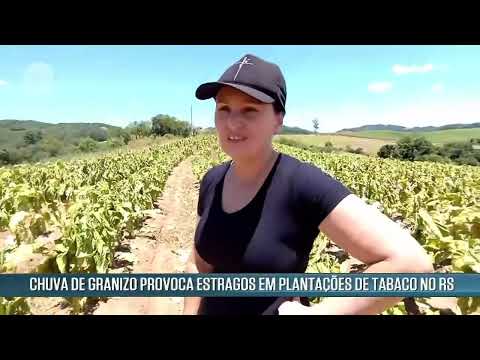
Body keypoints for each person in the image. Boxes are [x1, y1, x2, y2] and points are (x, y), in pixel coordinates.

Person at [183, 53, 433, 315]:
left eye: (250, 109)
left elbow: (411, 264)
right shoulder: (213, 180)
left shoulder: (301, 183)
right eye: (224, 108)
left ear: (278, 119)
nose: (232, 122)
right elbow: (199, 267)